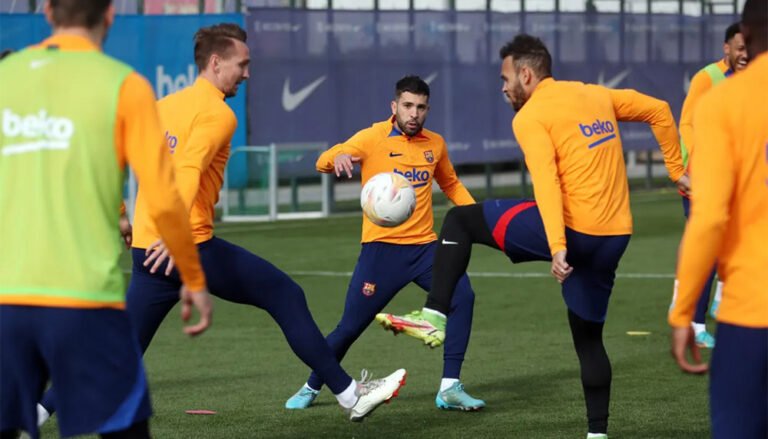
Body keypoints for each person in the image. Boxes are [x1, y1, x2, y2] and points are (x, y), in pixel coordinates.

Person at [39, 22, 406, 425]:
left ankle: (33, 412)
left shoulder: (162, 107)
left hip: (149, 250)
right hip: (186, 246)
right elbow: (189, 170)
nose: (247, 74)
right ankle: (351, 395)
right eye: (242, 64)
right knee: (284, 293)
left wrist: (125, 218)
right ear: (216, 62)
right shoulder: (218, 114)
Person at [384, 35, 689, 438]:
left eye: (506, 77)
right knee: (588, 339)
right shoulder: (595, 94)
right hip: (615, 237)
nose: (503, 86)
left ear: (526, 74)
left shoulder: (529, 117)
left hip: (573, 232)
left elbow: (546, 181)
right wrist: (676, 171)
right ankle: (597, 433)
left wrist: (558, 247)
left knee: (461, 221)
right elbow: (660, 110)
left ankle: (435, 315)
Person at [0, 1, 213, 438]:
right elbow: (163, 194)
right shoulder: (124, 85)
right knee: (125, 430)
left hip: (8, 300)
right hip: (84, 301)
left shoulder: (7, 77)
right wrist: (192, 276)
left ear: (47, 12)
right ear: (111, 15)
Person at [285, 75, 484, 411]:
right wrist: (340, 158)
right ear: (395, 107)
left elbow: (450, 184)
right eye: (407, 105)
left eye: (420, 107)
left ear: (427, 109)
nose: (414, 113)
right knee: (349, 328)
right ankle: (312, 384)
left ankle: (450, 387)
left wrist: (479, 219)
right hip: (381, 252)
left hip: (425, 249)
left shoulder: (434, 144)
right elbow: (324, 160)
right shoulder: (373, 137)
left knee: (463, 296)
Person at [669, 1, 768, 437]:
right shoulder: (710, 89)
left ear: (745, 31)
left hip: (752, 313)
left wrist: (683, 314)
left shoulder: (724, 103)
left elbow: (708, 219)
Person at [674, 21, 749, 349]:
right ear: (727, 48)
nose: (745, 54)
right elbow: (687, 122)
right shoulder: (709, 78)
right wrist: (690, 170)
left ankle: (721, 300)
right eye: (740, 48)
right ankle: (693, 322)